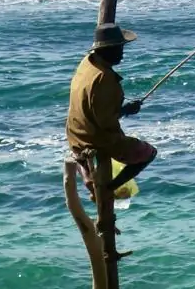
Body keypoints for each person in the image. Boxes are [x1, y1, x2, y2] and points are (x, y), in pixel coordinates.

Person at [67, 22, 158, 192]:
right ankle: (110, 188)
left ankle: (87, 176)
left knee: (78, 155)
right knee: (149, 153)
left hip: (74, 134)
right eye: (118, 49)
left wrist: (123, 109)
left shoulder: (87, 63)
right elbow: (106, 122)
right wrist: (125, 110)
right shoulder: (104, 78)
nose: (122, 54)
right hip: (96, 139)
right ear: (107, 50)